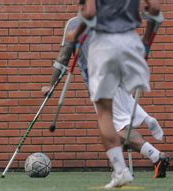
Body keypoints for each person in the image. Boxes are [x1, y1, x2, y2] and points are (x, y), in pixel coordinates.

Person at [48, 14, 169, 179]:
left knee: (113, 130)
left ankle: (156, 156)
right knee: (119, 118)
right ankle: (145, 118)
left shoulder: (75, 24)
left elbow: (63, 58)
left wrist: (51, 85)